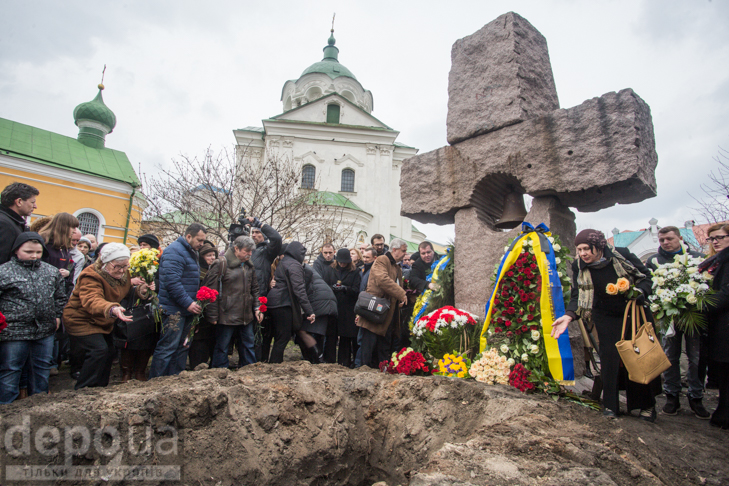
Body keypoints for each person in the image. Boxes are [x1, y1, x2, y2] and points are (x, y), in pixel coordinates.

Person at [551, 229, 659, 421]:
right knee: (609, 359)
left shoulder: (622, 255)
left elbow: (646, 277)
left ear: (599, 246)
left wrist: (639, 292)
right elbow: (578, 295)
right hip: (605, 317)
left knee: (639, 356)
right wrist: (568, 316)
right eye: (579, 249)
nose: (583, 253)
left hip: (633, 313)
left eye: (586, 249)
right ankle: (611, 405)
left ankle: (646, 406)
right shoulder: (579, 266)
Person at [64, 243, 153, 389]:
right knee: (99, 350)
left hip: (103, 320)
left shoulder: (123, 273)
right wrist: (112, 308)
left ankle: (100, 387)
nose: (122, 270)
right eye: (117, 266)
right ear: (105, 262)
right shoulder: (91, 275)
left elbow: (124, 290)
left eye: (125, 266)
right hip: (81, 319)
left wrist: (140, 290)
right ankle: (84, 388)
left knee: (110, 352)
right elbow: (92, 299)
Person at [645, 226, 709, 418]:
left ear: (680, 238)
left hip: (692, 315)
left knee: (696, 358)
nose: (665, 243)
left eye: (669, 239)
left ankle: (696, 396)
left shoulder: (696, 257)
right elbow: (650, 284)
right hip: (668, 315)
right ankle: (672, 395)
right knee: (669, 356)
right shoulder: (654, 261)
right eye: (662, 240)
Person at [0, 233, 65, 403]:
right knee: (10, 369)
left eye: (38, 252)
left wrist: (57, 315)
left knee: (42, 369)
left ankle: (38, 405)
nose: (34, 256)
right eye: (29, 251)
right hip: (13, 331)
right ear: (16, 250)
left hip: (44, 330)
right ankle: (5, 408)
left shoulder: (51, 271)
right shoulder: (4, 271)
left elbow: (60, 296)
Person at [149, 223, 206, 378]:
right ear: (189, 236)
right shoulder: (175, 252)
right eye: (199, 240)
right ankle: (157, 380)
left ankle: (175, 378)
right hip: (175, 309)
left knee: (182, 346)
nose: (202, 244)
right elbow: (172, 282)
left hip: (185, 309)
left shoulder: (190, 251)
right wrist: (188, 303)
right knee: (168, 346)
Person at [203, 236, 262, 369]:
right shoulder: (221, 263)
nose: (250, 254)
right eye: (247, 251)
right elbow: (211, 291)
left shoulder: (249, 266)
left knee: (248, 344)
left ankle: (249, 370)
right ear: (236, 249)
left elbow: (255, 288)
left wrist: (257, 307)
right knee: (222, 346)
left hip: (246, 315)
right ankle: (219, 372)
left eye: (251, 251)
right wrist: (212, 315)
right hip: (226, 315)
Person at [357, 238, 408, 368]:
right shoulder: (382, 260)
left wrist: (402, 298)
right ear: (395, 250)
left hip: (387, 314)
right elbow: (382, 279)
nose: (405, 254)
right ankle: (363, 372)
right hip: (375, 311)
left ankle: (381, 373)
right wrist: (401, 294)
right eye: (403, 250)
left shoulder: (397, 267)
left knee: (384, 347)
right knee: (369, 346)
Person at [698, 223, 729, 429]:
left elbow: (727, 294)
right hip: (719, 323)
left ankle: (725, 414)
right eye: (712, 239)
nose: (715, 242)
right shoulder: (717, 261)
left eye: (719, 237)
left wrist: (699, 305)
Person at [267, 241, 316, 364]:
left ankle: (274, 362)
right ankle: (275, 364)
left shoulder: (283, 262)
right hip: (282, 303)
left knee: (279, 337)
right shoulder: (294, 265)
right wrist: (309, 311)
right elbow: (299, 289)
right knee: (283, 337)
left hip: (274, 302)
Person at [248, 217, 282, 362]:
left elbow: (277, 238)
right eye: (252, 233)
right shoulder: (248, 250)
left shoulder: (267, 251)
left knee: (259, 333)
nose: (254, 235)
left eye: (257, 232)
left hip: (259, 296)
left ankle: (258, 361)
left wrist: (259, 223)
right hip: (244, 296)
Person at [188, 240, 218, 369]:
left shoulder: (217, 270)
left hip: (212, 313)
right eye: (208, 256)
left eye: (213, 255)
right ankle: (197, 365)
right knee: (199, 342)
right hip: (199, 312)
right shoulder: (197, 272)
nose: (212, 258)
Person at [301, 264, 338, 363]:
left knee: (303, 331)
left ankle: (317, 358)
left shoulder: (301, 270)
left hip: (319, 301)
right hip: (329, 300)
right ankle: (319, 357)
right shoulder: (311, 270)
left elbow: (301, 289)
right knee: (319, 333)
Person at [332, 249, 361, 367]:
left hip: (350, 308)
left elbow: (357, 290)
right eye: (340, 262)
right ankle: (343, 362)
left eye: (344, 262)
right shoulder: (333, 270)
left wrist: (345, 289)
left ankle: (355, 361)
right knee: (343, 337)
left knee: (352, 335)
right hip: (337, 306)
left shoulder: (355, 272)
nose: (342, 264)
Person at [0, 183, 38, 265]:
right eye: (32, 202)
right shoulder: (5, 224)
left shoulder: (12, 222)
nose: (35, 206)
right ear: (19, 202)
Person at [313, 243, 338, 362]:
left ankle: (330, 358)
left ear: (334, 252)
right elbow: (317, 280)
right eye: (325, 253)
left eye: (330, 253)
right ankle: (317, 356)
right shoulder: (317, 264)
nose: (328, 255)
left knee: (332, 332)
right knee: (319, 331)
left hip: (335, 301)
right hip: (322, 300)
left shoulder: (337, 264)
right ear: (321, 252)